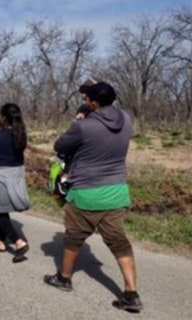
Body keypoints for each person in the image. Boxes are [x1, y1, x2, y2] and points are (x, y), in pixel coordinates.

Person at [43, 82, 143, 312]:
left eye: (87, 98)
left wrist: (78, 120)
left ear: (93, 103)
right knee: (119, 242)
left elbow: (60, 145)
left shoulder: (83, 126)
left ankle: (64, 278)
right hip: (117, 191)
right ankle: (131, 292)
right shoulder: (126, 119)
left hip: (86, 193)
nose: (85, 101)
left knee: (74, 238)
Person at [0, 103, 30, 263]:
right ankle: (0, 242)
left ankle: (19, 242)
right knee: (3, 208)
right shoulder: (21, 134)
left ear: (3, 117)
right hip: (15, 174)